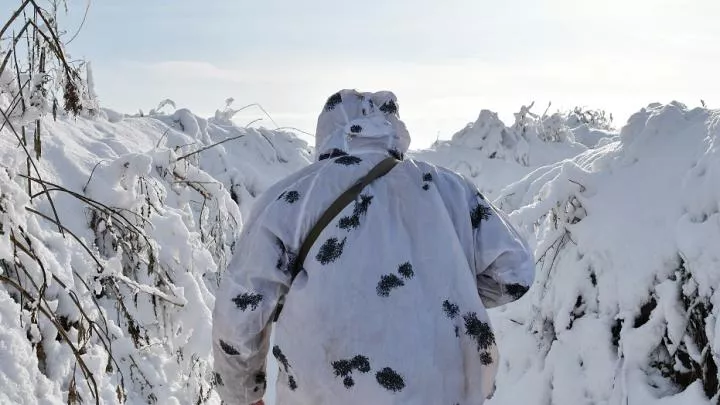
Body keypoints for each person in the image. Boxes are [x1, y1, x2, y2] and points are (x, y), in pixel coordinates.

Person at [212, 89, 535, 405]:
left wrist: (242, 395)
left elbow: (242, 308)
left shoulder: (294, 195)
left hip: (326, 389)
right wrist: (436, 296)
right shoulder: (451, 188)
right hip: (444, 388)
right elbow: (515, 273)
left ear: (327, 133)